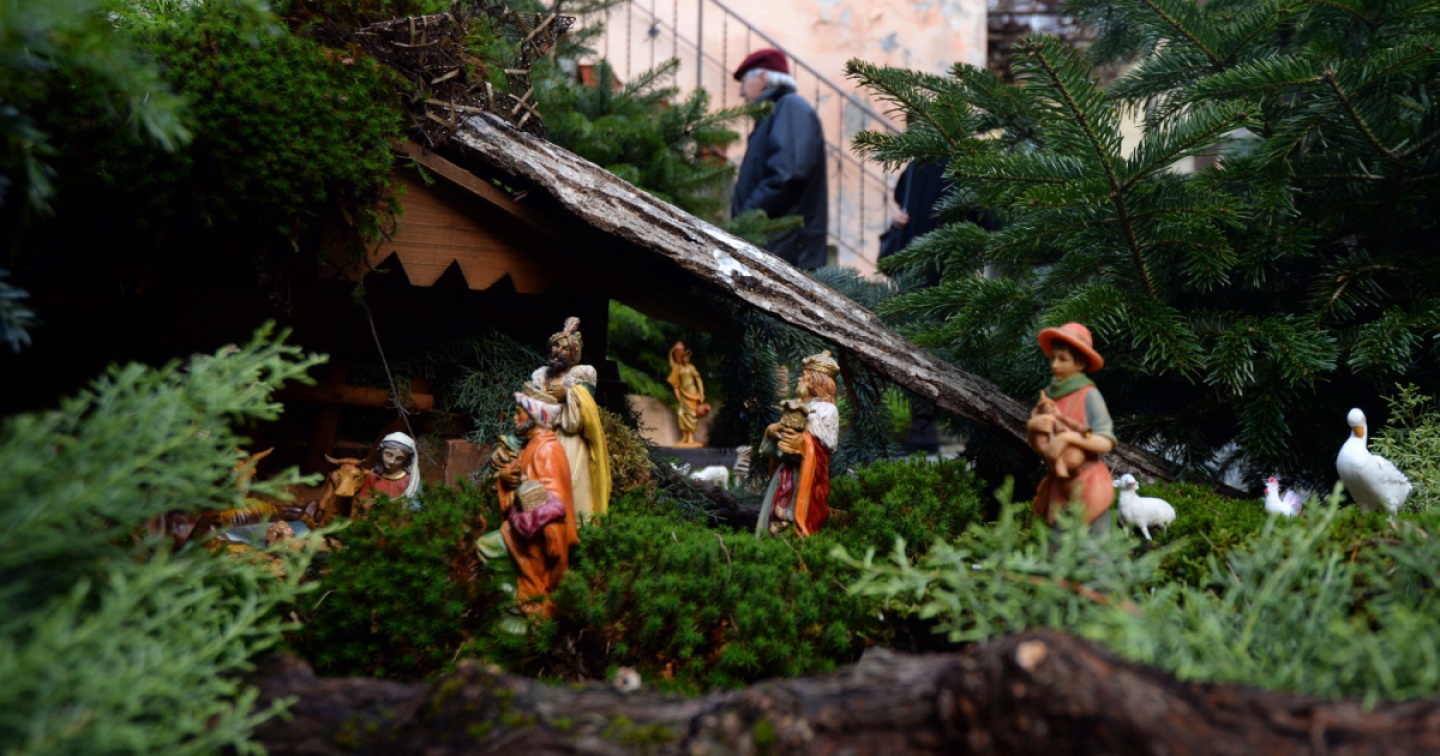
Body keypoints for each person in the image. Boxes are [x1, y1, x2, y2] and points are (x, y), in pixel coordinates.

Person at [477, 390, 581, 617]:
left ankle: (522, 602)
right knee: (487, 548)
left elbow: (554, 500)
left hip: (538, 537)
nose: (515, 418)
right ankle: (512, 600)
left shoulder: (548, 449)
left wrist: (521, 493)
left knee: (487, 547)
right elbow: (520, 481)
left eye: (519, 413)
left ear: (536, 417)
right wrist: (505, 478)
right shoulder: (531, 445)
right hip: (524, 530)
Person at [731, 48, 828, 270]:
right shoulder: (779, 112)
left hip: (786, 251)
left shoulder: (790, 107)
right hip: (778, 246)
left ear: (763, 78)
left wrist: (746, 217)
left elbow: (787, 175)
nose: (740, 92)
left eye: (744, 82)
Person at [1025, 323, 1117, 533]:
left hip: (1088, 484)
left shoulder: (1090, 395)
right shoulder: (1049, 396)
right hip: (1059, 487)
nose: (1054, 365)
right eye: (1053, 358)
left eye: (1063, 359)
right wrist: (1032, 427)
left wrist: (1069, 438)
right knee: (1059, 542)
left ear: (1080, 362)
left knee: (1091, 543)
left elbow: (1106, 442)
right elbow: (1042, 446)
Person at [526, 317, 611, 521]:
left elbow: (587, 409)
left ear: (574, 353)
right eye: (555, 346)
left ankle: (569, 527)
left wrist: (568, 394)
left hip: (569, 441)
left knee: (566, 483)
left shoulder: (581, 374)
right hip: (543, 438)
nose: (558, 351)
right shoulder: (542, 376)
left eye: (564, 348)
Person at [756, 350, 840, 537]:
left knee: (792, 512)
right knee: (775, 510)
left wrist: (803, 443)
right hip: (785, 470)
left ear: (817, 381)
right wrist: (772, 432)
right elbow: (782, 438)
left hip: (805, 475)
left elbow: (827, 446)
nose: (800, 379)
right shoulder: (795, 404)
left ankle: (794, 540)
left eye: (805, 376)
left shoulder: (828, 410)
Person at [356, 431, 422, 514]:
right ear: (381, 452)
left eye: (399, 458)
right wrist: (372, 504)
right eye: (388, 454)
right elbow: (364, 497)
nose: (391, 461)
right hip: (376, 516)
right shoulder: (373, 475)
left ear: (406, 460)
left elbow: (415, 504)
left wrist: (399, 505)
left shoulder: (410, 479)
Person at [666, 341, 708, 448]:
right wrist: (678, 396)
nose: (686, 359)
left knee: (691, 414)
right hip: (683, 395)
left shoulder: (691, 368)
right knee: (681, 414)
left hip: (692, 393)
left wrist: (701, 393)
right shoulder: (678, 368)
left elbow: (698, 379)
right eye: (683, 356)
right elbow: (675, 383)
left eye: (687, 357)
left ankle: (691, 438)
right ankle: (685, 437)